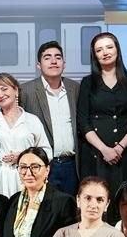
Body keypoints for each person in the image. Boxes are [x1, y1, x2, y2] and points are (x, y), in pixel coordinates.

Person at [76, 32, 127, 218]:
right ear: (94, 55)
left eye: (109, 47)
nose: (105, 52)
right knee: (97, 207)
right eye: (99, 50)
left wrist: (119, 147)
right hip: (96, 155)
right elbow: (83, 122)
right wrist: (104, 149)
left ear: (117, 50)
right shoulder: (87, 83)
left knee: (126, 205)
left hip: (125, 155)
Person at [20, 41, 81, 195]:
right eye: (47, 58)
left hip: (72, 165)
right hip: (42, 165)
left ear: (64, 64)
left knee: (70, 207)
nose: (53, 61)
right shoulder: (26, 91)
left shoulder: (75, 88)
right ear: (38, 65)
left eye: (58, 57)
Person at [0, 73, 51, 199]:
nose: (0, 95)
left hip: (29, 176)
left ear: (16, 90)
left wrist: (24, 157)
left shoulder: (32, 120)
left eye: (4, 89)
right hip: (1, 178)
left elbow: (47, 152)